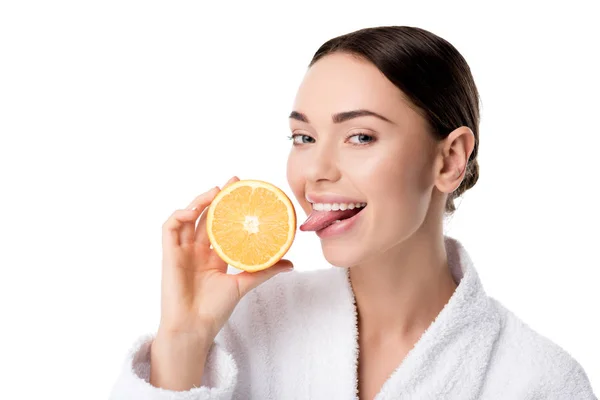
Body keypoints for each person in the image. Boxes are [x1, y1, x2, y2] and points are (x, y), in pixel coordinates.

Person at [109, 26, 596, 399]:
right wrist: (183, 341)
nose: (315, 171)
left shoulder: (535, 378)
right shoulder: (249, 325)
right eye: (304, 138)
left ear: (449, 159)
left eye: (360, 136)